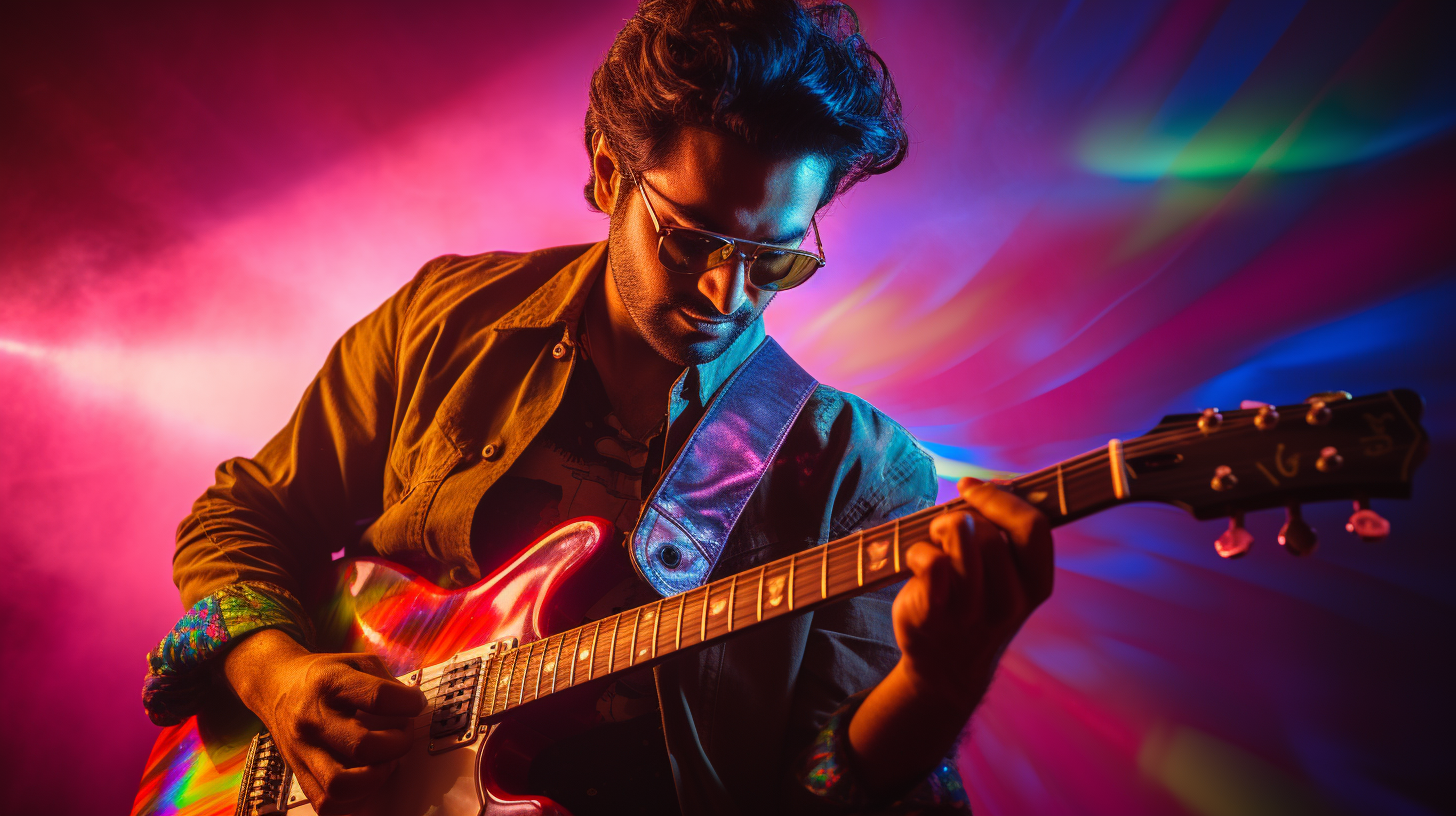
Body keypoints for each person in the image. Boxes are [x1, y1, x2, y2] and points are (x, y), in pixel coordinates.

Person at [140, 1, 1054, 813]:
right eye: (692, 239)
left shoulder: (860, 469)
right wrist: (278, 676)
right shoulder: (447, 318)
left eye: (774, 260)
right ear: (610, 173)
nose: (725, 293)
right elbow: (243, 514)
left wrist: (939, 686)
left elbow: (819, 787)